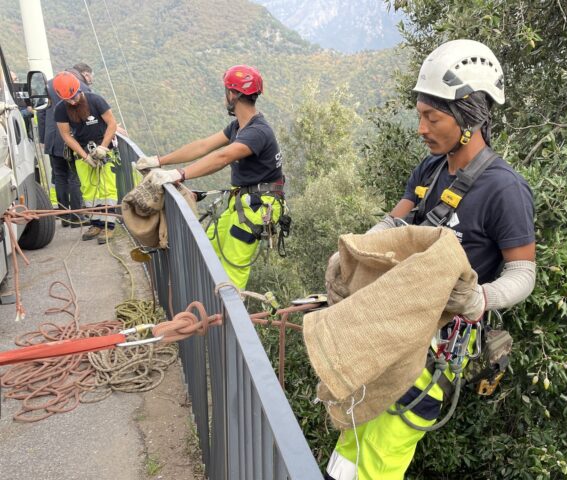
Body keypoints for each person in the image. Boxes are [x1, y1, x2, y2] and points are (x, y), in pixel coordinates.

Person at [325, 39, 537, 480]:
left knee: (382, 452)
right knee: (354, 429)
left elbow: (523, 273)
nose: (421, 127)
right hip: (395, 327)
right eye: (420, 114)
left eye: (432, 117)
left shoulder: (505, 190)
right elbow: (394, 225)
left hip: (438, 347)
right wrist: (352, 252)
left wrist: (479, 298)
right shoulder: (430, 171)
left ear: (468, 117)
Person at [138, 65, 286, 289]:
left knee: (233, 268)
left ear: (232, 94)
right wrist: (160, 161)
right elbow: (203, 146)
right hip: (243, 202)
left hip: (257, 207)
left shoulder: (257, 132)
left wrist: (180, 173)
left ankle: (226, 318)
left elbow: (222, 157)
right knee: (211, 251)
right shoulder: (239, 126)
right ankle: (209, 312)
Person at [53, 70, 119, 243]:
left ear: (78, 90)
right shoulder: (61, 109)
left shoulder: (95, 100)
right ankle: (96, 223)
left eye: (74, 97)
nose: (73, 101)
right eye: (69, 99)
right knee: (89, 189)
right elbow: (66, 135)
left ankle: (109, 226)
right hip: (82, 151)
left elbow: (112, 124)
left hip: (103, 147)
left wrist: (103, 148)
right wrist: (85, 156)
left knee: (107, 188)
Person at [37, 66, 92, 227]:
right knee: (74, 176)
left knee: (60, 176)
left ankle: (64, 217)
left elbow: (41, 112)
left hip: (52, 138)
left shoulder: (47, 85)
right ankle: (76, 217)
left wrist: (43, 137)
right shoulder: (79, 87)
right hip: (70, 137)